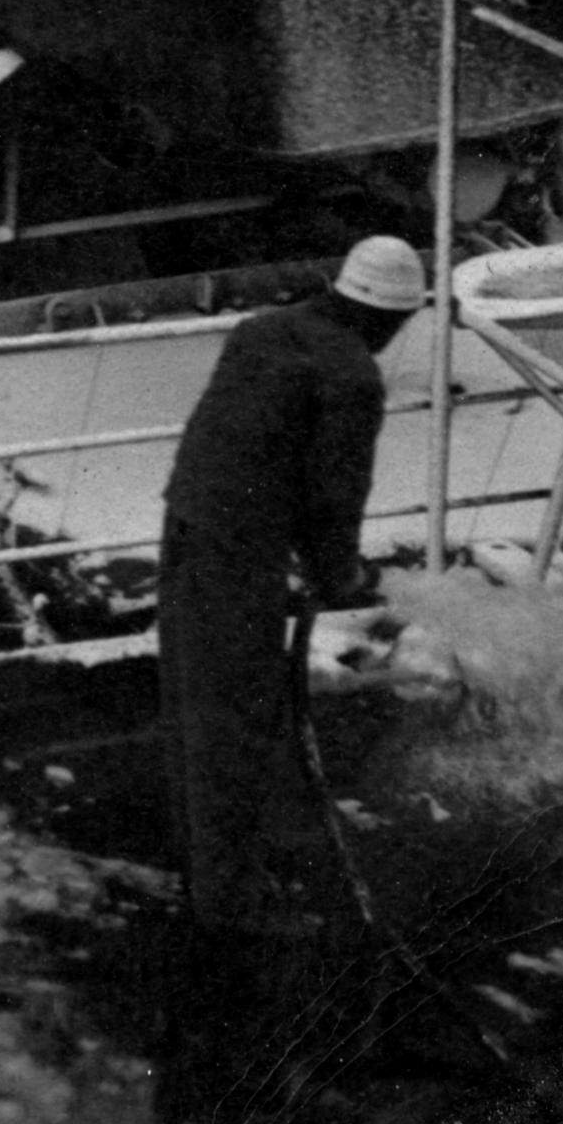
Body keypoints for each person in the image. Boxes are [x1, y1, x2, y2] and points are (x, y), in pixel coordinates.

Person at [155, 233, 428, 932]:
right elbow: (334, 496)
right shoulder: (351, 376)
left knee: (191, 700)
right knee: (235, 719)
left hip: (184, 526)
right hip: (238, 553)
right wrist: (342, 578)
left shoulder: (261, 329)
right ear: (391, 316)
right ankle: (230, 906)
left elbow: (251, 442)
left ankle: (198, 864)